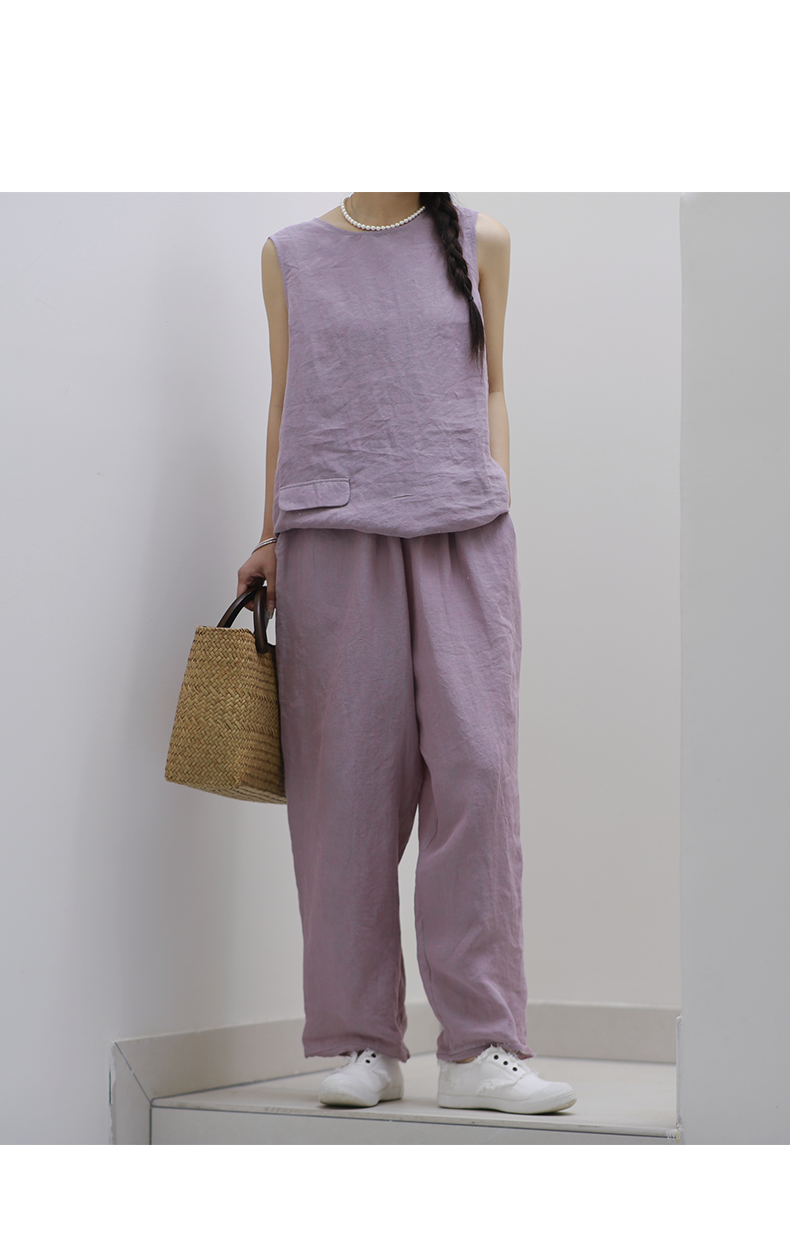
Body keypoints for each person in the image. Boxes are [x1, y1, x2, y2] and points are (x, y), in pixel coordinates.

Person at [236, 193, 576, 1117]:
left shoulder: (480, 238)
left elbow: (494, 386)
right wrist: (268, 535)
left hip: (465, 530)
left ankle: (482, 1046)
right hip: (332, 533)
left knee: (478, 778)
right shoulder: (289, 254)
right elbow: (284, 399)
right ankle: (361, 1041)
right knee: (344, 790)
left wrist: (494, 492)